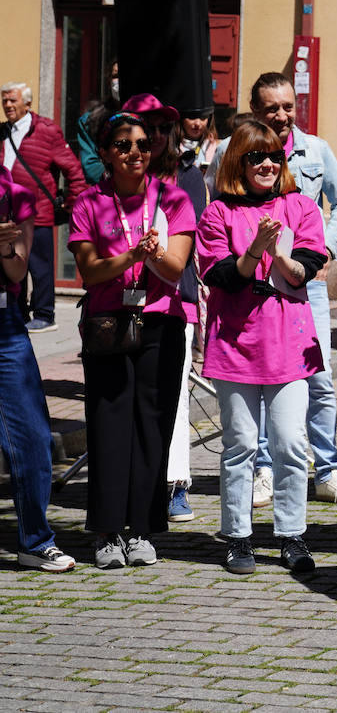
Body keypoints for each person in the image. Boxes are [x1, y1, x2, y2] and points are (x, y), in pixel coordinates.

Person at [208, 74, 337, 507]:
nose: (281, 115)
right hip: (247, 287)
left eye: (288, 107)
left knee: (320, 378)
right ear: (255, 110)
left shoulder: (315, 150)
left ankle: (328, 471)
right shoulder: (227, 151)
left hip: (300, 283)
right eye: (271, 108)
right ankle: (263, 469)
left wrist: (325, 249)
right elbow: (216, 210)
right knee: (254, 377)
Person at [198, 120, 328, 574]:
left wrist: (280, 255)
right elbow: (220, 277)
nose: (269, 164)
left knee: (291, 443)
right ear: (238, 162)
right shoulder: (218, 213)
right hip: (235, 346)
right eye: (257, 157)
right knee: (239, 447)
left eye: (275, 156)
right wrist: (254, 249)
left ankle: (292, 534)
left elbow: (307, 269)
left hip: (289, 345)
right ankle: (238, 537)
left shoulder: (300, 207)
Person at [68, 113, 195, 568]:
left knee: (151, 428)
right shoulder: (87, 203)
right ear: (105, 153)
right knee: (108, 424)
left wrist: (155, 253)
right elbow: (90, 271)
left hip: (160, 322)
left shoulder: (174, 198)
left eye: (143, 144)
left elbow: (177, 269)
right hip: (107, 322)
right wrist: (130, 255)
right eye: (124, 146)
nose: (136, 153)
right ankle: (105, 531)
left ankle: (141, 529)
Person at [122, 94, 207, 524]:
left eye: (161, 127)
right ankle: (128, 488)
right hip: (121, 301)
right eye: (145, 127)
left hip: (175, 299)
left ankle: (173, 485)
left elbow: (192, 240)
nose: (154, 135)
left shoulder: (187, 177)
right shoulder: (114, 179)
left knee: (171, 401)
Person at [0, 162, 76, 572]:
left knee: (31, 435)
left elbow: (18, 269)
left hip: (5, 325)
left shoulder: (16, 194)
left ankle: (35, 540)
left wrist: (5, 248)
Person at [2, 81, 89, 332]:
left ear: (27, 103)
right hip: (7, 212)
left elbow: (73, 170)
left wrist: (74, 204)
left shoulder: (46, 130)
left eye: (13, 100)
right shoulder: (2, 131)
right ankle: (18, 313)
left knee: (39, 266)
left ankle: (44, 314)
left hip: (37, 210)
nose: (7, 105)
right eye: (4, 100)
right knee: (11, 263)